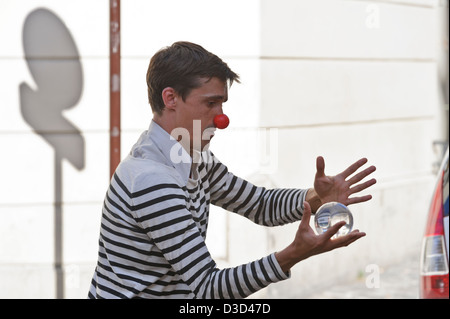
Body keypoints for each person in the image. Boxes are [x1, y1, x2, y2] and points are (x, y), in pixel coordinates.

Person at [88, 41, 377, 299]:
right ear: (170, 98)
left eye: (222, 104)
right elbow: (208, 287)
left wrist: (317, 198)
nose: (221, 118)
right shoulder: (151, 179)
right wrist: (291, 255)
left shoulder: (192, 155)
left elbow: (260, 205)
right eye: (210, 103)